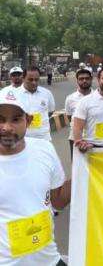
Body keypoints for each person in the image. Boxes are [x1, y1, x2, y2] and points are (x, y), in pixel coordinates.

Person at [0, 90, 70, 265]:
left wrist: (86, 168)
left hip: (50, 260)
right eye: (0, 119)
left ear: (28, 121)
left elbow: (58, 202)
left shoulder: (44, 149)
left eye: (16, 119)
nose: (7, 127)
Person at [18, 66, 55, 141]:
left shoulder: (47, 93)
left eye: (36, 80)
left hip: (43, 139)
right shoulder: (15, 95)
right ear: (23, 78)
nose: (34, 82)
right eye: (30, 80)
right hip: (22, 140)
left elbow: (51, 111)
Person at [65, 69, 93, 159]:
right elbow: (69, 117)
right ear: (77, 80)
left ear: (91, 79)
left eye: (87, 78)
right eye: (81, 79)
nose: (84, 81)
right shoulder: (70, 99)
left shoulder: (97, 97)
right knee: (77, 167)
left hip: (93, 138)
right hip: (75, 138)